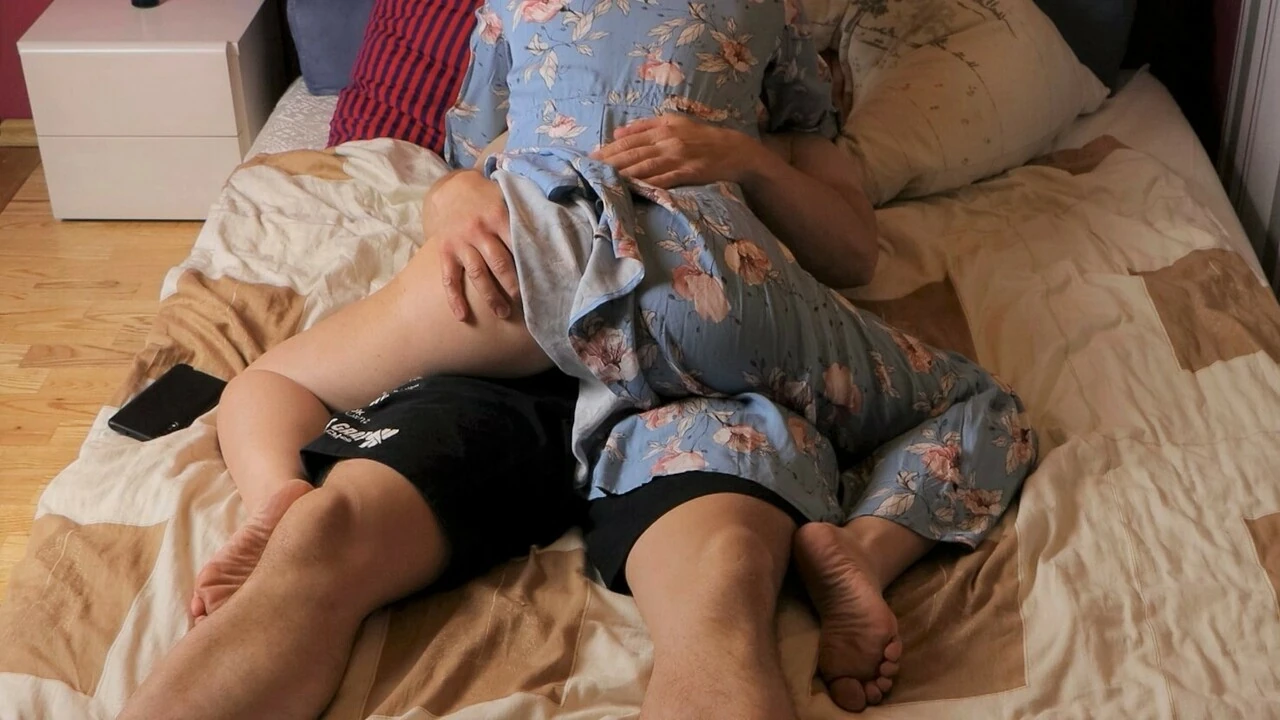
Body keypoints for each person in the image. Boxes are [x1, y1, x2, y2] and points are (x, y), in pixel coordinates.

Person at [119, 2, 1037, 719]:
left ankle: (282, 506)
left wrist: (459, 199)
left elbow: (478, 157)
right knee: (724, 590)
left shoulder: (520, 17)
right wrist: (456, 200)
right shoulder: (769, 21)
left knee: (289, 436)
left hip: (533, 277)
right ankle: (864, 553)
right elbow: (850, 252)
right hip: (702, 317)